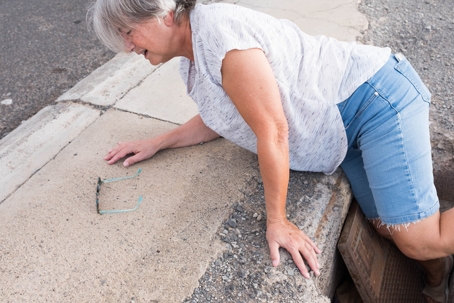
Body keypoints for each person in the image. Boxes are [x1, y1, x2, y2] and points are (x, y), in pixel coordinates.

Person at [88, 0, 453, 301]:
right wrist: (158, 142)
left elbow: (273, 130)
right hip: (345, 130)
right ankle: (439, 281)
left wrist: (277, 221)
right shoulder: (191, 54)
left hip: (375, 101)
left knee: (418, 239)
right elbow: (222, 117)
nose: (128, 47)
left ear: (164, 14)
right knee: (390, 228)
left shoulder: (219, 36)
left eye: (127, 33)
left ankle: (435, 271)